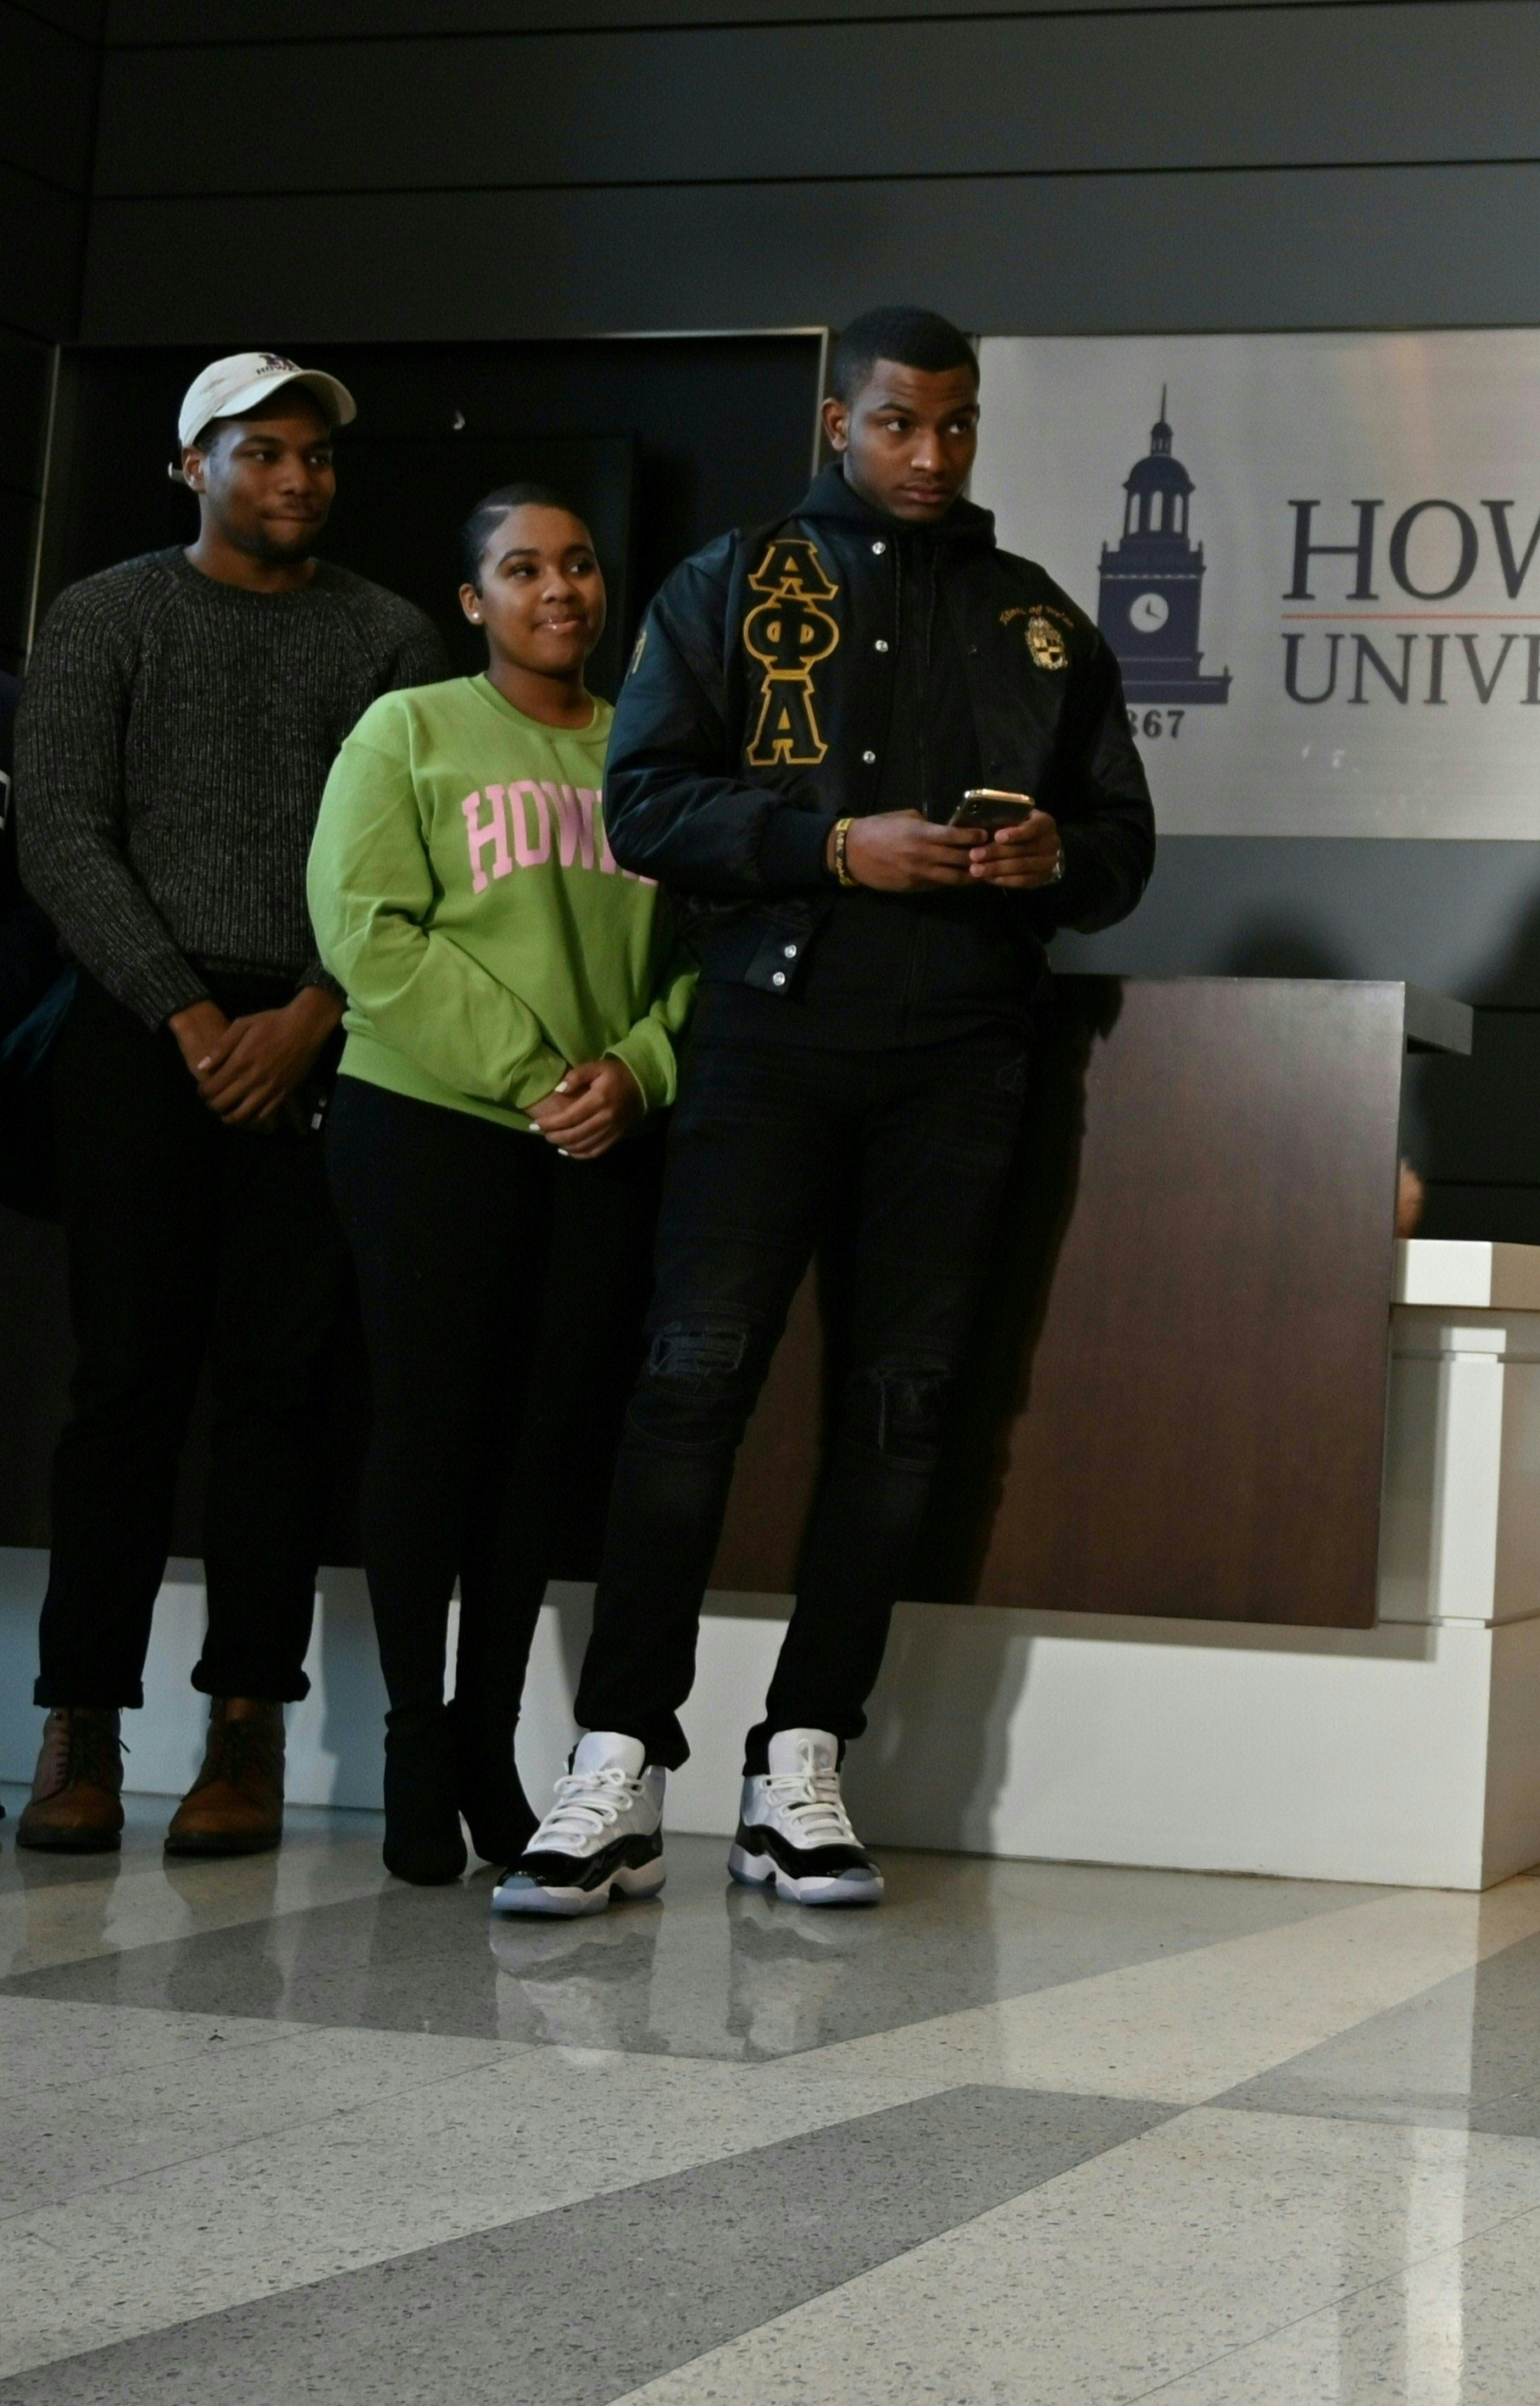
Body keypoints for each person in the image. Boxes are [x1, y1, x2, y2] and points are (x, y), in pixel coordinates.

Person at [492, 307, 1154, 1918]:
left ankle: (802, 1755)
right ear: (834, 422)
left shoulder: (1041, 623)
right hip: (767, 1042)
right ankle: (617, 1763)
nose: (931, 455)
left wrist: (1046, 858)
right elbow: (641, 801)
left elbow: (1123, 848)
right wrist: (830, 848)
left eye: (957, 426)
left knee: (903, 1410)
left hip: (964, 1058)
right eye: (900, 424)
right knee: (689, 1387)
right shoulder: (727, 583)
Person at [14, 354, 448, 1857]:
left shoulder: (389, 636)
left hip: (325, 1030)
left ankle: (245, 1729)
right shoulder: (107, 616)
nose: (297, 479)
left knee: (281, 1393)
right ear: (190, 465)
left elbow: (410, 858)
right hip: (146, 1026)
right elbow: (63, 834)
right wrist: (192, 1019)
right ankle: (80, 1724)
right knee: (124, 1382)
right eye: (262, 452)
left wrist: (312, 1014)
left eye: (316, 456)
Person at [307, 486, 696, 1885]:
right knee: (429, 1432)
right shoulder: (408, 728)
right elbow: (368, 932)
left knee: (542, 1452)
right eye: (522, 568)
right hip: (426, 1125)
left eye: (579, 564)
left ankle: (488, 1733)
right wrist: (535, 1071)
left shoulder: (655, 753)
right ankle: (419, 1737)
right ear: (473, 602)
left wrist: (635, 1073)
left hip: (597, 1138)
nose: (559, 588)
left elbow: (707, 957)